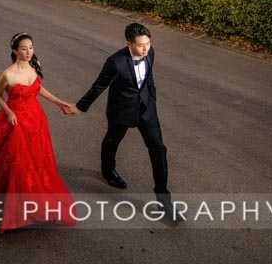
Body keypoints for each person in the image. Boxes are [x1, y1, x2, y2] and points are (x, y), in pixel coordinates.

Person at [0, 32, 76, 232]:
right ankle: (8, 207)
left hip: (36, 120)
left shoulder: (33, 68)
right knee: (12, 162)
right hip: (15, 122)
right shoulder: (8, 74)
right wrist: (8, 112)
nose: (28, 52)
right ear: (15, 50)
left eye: (31, 47)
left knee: (35, 160)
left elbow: (38, 89)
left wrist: (59, 102)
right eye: (24, 48)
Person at [65, 22, 184, 221]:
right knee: (112, 140)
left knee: (158, 148)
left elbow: (148, 79)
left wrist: (151, 98)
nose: (145, 48)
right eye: (140, 45)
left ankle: (164, 203)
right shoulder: (115, 62)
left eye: (148, 43)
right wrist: (79, 106)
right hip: (121, 110)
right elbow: (98, 86)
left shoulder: (150, 52)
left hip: (146, 110)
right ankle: (108, 170)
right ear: (129, 43)